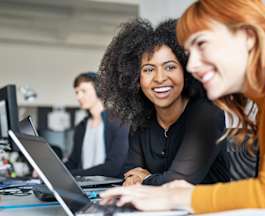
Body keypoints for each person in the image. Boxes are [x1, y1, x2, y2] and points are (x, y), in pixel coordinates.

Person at [99, 0, 265, 213]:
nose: (192, 65)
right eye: (190, 53)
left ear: (248, 36)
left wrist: (177, 197)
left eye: (202, 44)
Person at [99, 19, 256, 186]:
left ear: (186, 71)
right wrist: (135, 178)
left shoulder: (207, 114)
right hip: (158, 209)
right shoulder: (141, 121)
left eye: (170, 67)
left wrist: (145, 178)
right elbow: (130, 173)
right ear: (136, 78)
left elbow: (180, 182)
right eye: (149, 70)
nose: (159, 78)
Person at [64, 72, 129, 177]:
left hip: (107, 187)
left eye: (83, 91)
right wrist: (51, 172)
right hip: (83, 185)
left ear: (99, 91)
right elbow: (73, 162)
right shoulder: (81, 126)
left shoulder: (119, 123)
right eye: (76, 92)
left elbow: (114, 167)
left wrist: (73, 174)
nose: (79, 97)